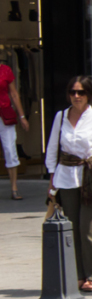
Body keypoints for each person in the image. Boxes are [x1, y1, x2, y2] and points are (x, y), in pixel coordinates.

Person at [45, 77, 92, 293]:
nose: (76, 96)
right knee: (71, 229)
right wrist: (52, 181)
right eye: (73, 92)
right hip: (66, 177)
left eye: (81, 92)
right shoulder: (61, 116)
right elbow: (53, 149)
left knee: (88, 229)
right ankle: (77, 274)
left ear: (88, 95)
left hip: (90, 177)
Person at [0, 61, 30, 199]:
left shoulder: (5, 70)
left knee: (10, 149)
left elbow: (14, 94)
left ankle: (14, 188)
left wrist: (22, 116)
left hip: (5, 114)